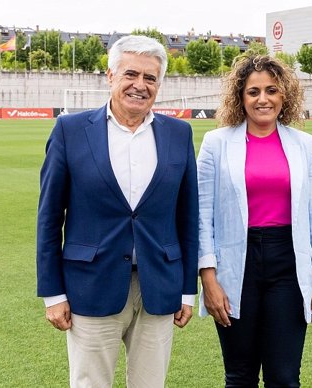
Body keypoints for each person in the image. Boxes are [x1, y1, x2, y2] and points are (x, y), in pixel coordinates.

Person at [36, 35, 198, 388]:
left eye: (150, 78)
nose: (140, 85)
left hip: (158, 286)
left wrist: (187, 290)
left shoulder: (179, 134)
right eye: (131, 74)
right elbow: (49, 218)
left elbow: (188, 218)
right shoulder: (70, 131)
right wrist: (53, 294)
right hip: (91, 286)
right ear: (110, 76)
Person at [197, 54, 312, 388]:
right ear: (240, 97)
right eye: (253, 91)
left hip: (288, 265)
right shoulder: (216, 144)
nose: (263, 99)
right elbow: (202, 217)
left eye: (272, 90)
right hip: (236, 264)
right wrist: (209, 277)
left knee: (285, 377)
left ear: (284, 95)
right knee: (240, 375)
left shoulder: (303, 144)